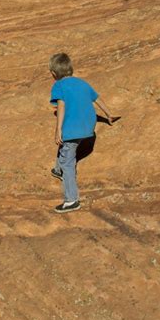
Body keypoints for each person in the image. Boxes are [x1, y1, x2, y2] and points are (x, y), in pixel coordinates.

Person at [49, 52, 114, 213]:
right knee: (66, 150)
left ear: (53, 74)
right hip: (88, 129)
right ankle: (58, 169)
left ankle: (72, 200)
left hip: (72, 130)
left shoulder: (59, 86)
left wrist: (58, 130)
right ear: (70, 69)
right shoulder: (83, 83)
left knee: (68, 162)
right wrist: (108, 115)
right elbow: (97, 99)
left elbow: (61, 107)